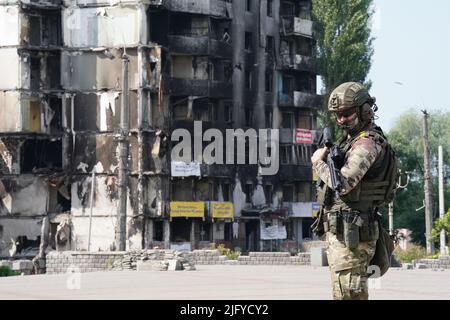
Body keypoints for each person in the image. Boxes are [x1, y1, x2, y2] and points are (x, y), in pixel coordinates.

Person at [311, 82, 396, 300]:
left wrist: (318, 163)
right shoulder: (353, 141)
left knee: (349, 295)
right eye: (337, 115)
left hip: (353, 238)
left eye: (346, 114)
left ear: (364, 110)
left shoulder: (367, 143)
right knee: (344, 294)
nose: (341, 120)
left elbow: (344, 184)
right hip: (346, 236)